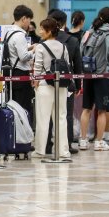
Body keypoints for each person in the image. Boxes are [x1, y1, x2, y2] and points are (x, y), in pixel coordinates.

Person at [79, 7, 109, 151]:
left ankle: (83, 141)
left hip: (88, 74)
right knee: (102, 110)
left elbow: (80, 51)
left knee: (86, 109)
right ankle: (99, 141)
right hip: (103, 76)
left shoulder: (88, 32)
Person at [33, 18, 70, 158]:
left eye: (42, 29)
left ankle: (40, 150)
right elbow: (67, 65)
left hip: (44, 85)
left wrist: (36, 82)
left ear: (49, 31)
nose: (40, 31)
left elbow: (38, 67)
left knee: (43, 118)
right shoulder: (63, 46)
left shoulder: (41, 47)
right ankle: (63, 151)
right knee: (61, 117)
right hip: (61, 85)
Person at [48, 9, 82, 154]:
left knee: (48, 114)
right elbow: (78, 65)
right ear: (64, 23)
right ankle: (66, 144)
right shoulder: (73, 40)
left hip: (47, 82)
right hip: (67, 83)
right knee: (66, 114)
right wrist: (79, 85)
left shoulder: (45, 40)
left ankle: (47, 145)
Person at [2, 5, 36, 127]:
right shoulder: (20, 35)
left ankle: (15, 137)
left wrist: (28, 48)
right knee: (24, 108)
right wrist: (34, 51)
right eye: (29, 20)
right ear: (23, 18)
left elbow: (14, 53)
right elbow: (23, 57)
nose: (29, 24)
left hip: (11, 74)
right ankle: (24, 139)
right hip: (21, 75)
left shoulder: (9, 33)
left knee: (14, 106)